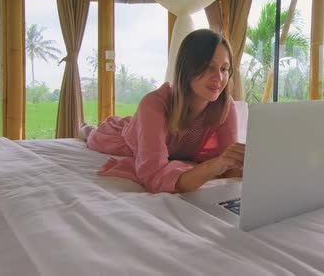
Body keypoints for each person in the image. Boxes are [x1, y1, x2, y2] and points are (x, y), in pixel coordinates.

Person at [83, 29, 244, 194]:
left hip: (160, 136)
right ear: (188, 69)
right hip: (124, 139)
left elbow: (231, 164)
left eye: (224, 69)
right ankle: (87, 129)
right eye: (209, 67)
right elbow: (154, 176)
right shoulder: (153, 105)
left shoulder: (225, 106)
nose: (219, 77)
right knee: (95, 137)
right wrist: (212, 166)